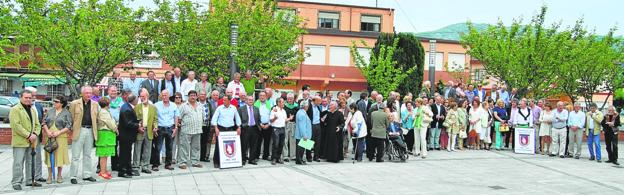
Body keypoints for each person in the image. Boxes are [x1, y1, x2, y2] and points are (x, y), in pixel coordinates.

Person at [10, 90, 42, 190]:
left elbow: (37, 124)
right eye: (26, 97)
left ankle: (29, 180)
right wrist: (29, 135)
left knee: (30, 161)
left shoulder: (32, 109)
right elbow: (16, 126)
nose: (28, 99)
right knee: (18, 162)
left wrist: (35, 134)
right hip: (20, 141)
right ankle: (16, 182)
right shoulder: (15, 109)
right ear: (21, 98)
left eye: (30, 97)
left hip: (32, 141)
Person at [68, 86, 98, 184]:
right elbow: (70, 118)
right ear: (82, 93)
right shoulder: (74, 103)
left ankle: (87, 174)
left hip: (90, 130)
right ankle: (73, 175)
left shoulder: (95, 104)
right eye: (86, 93)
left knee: (88, 154)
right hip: (79, 130)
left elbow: (96, 118)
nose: (89, 95)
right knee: (75, 155)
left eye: (90, 93)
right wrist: (71, 131)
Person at [41, 96, 71, 184]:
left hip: (61, 137)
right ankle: (49, 176)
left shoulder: (66, 113)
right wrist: (47, 131)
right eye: (54, 101)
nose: (54, 103)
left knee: (59, 156)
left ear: (62, 103)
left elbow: (69, 126)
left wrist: (59, 132)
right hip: (49, 136)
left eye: (56, 101)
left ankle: (59, 175)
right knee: (49, 155)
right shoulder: (50, 111)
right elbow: (44, 122)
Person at [211, 95, 242, 168]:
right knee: (218, 146)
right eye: (223, 100)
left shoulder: (233, 108)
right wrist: (216, 128)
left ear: (229, 101)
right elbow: (214, 119)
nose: (223, 101)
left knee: (230, 145)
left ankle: (229, 161)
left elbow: (237, 118)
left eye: (225, 100)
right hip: (221, 128)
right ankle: (216, 161)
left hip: (230, 129)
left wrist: (239, 127)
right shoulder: (219, 108)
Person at [152, 90, 178, 171]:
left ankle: (168, 164)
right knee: (158, 148)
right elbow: (154, 117)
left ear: (169, 95)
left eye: (166, 95)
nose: (164, 97)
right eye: (163, 95)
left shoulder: (174, 105)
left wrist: (176, 128)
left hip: (170, 128)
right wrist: (154, 128)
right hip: (160, 128)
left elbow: (176, 117)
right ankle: (155, 165)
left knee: (169, 148)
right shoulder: (156, 105)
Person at [133, 89, 158, 175]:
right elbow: (135, 120)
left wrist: (155, 127)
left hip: (149, 130)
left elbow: (155, 119)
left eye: (144, 96)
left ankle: (145, 166)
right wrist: (138, 127)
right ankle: (135, 166)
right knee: (137, 149)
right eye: (141, 96)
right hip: (140, 130)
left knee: (148, 149)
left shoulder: (153, 107)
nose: (142, 98)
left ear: (147, 96)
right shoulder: (137, 107)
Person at [23, 87, 45, 183]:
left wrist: (36, 133)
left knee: (38, 157)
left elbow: (41, 121)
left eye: (35, 95)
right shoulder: (21, 106)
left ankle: (38, 175)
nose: (34, 97)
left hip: (37, 136)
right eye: (32, 95)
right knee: (26, 159)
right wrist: (28, 134)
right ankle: (27, 177)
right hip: (24, 137)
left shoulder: (39, 106)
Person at [178, 90, 204, 169]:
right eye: (191, 95)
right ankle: (182, 162)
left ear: (197, 96)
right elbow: (179, 117)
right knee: (184, 147)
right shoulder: (183, 105)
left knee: (196, 147)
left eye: (194, 95)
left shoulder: (200, 105)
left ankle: (195, 161)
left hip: (197, 130)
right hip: (186, 130)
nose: (193, 97)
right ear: (188, 97)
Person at [95, 97, 117, 180]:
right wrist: (115, 129)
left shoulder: (104, 111)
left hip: (106, 134)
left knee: (105, 154)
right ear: (107, 104)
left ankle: (104, 170)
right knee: (103, 154)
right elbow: (110, 123)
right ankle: (103, 172)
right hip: (105, 134)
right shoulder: (104, 112)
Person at [118, 94, 140, 178]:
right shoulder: (127, 109)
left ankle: (128, 170)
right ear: (134, 100)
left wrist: (137, 121)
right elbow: (128, 123)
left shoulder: (127, 106)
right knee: (124, 154)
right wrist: (138, 125)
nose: (138, 100)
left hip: (127, 136)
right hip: (126, 136)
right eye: (137, 99)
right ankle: (122, 172)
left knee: (127, 153)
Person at [239, 96, 261, 165]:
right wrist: (240, 127)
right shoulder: (241, 109)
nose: (251, 101)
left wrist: (259, 126)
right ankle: (243, 159)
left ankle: (252, 159)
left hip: (254, 128)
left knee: (254, 145)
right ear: (246, 101)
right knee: (244, 145)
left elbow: (258, 118)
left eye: (252, 100)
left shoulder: (256, 109)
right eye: (249, 100)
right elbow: (238, 119)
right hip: (245, 128)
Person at [269, 98, 290, 165]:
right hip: (276, 128)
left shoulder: (284, 111)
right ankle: (273, 159)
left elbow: (285, 120)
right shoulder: (274, 110)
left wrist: (289, 119)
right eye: (282, 102)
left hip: (282, 128)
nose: (283, 103)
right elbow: (271, 120)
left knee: (281, 144)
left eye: (283, 102)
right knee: (275, 144)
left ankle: (278, 158)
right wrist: (275, 118)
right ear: (278, 103)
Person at [255, 91, 273, 160]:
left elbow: (272, 115)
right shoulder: (256, 104)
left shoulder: (270, 104)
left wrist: (268, 124)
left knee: (267, 141)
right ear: (259, 97)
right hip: (259, 125)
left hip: (268, 125)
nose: (262, 97)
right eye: (260, 95)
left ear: (266, 96)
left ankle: (265, 156)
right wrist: (260, 124)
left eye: (263, 95)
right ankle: (256, 156)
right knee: (258, 141)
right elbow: (255, 116)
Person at [197, 91, 213, 162]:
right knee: (197, 142)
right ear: (198, 95)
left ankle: (203, 157)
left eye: (204, 94)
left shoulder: (208, 103)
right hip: (198, 125)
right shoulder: (196, 103)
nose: (202, 96)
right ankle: (196, 157)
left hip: (206, 125)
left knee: (204, 142)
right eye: (201, 94)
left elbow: (211, 113)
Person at [283, 93, 299, 162]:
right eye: (288, 98)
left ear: (293, 99)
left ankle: (293, 155)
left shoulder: (297, 106)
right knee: (285, 140)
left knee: (293, 140)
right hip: (286, 124)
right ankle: (285, 156)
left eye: (291, 99)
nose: (289, 100)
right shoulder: (284, 105)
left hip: (294, 124)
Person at [308, 96, 322, 162]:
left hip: (318, 125)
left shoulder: (318, 107)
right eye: (319, 101)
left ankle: (316, 157)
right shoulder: (309, 106)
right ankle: (309, 157)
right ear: (315, 100)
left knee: (318, 142)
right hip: (311, 125)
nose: (320, 102)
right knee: (309, 141)